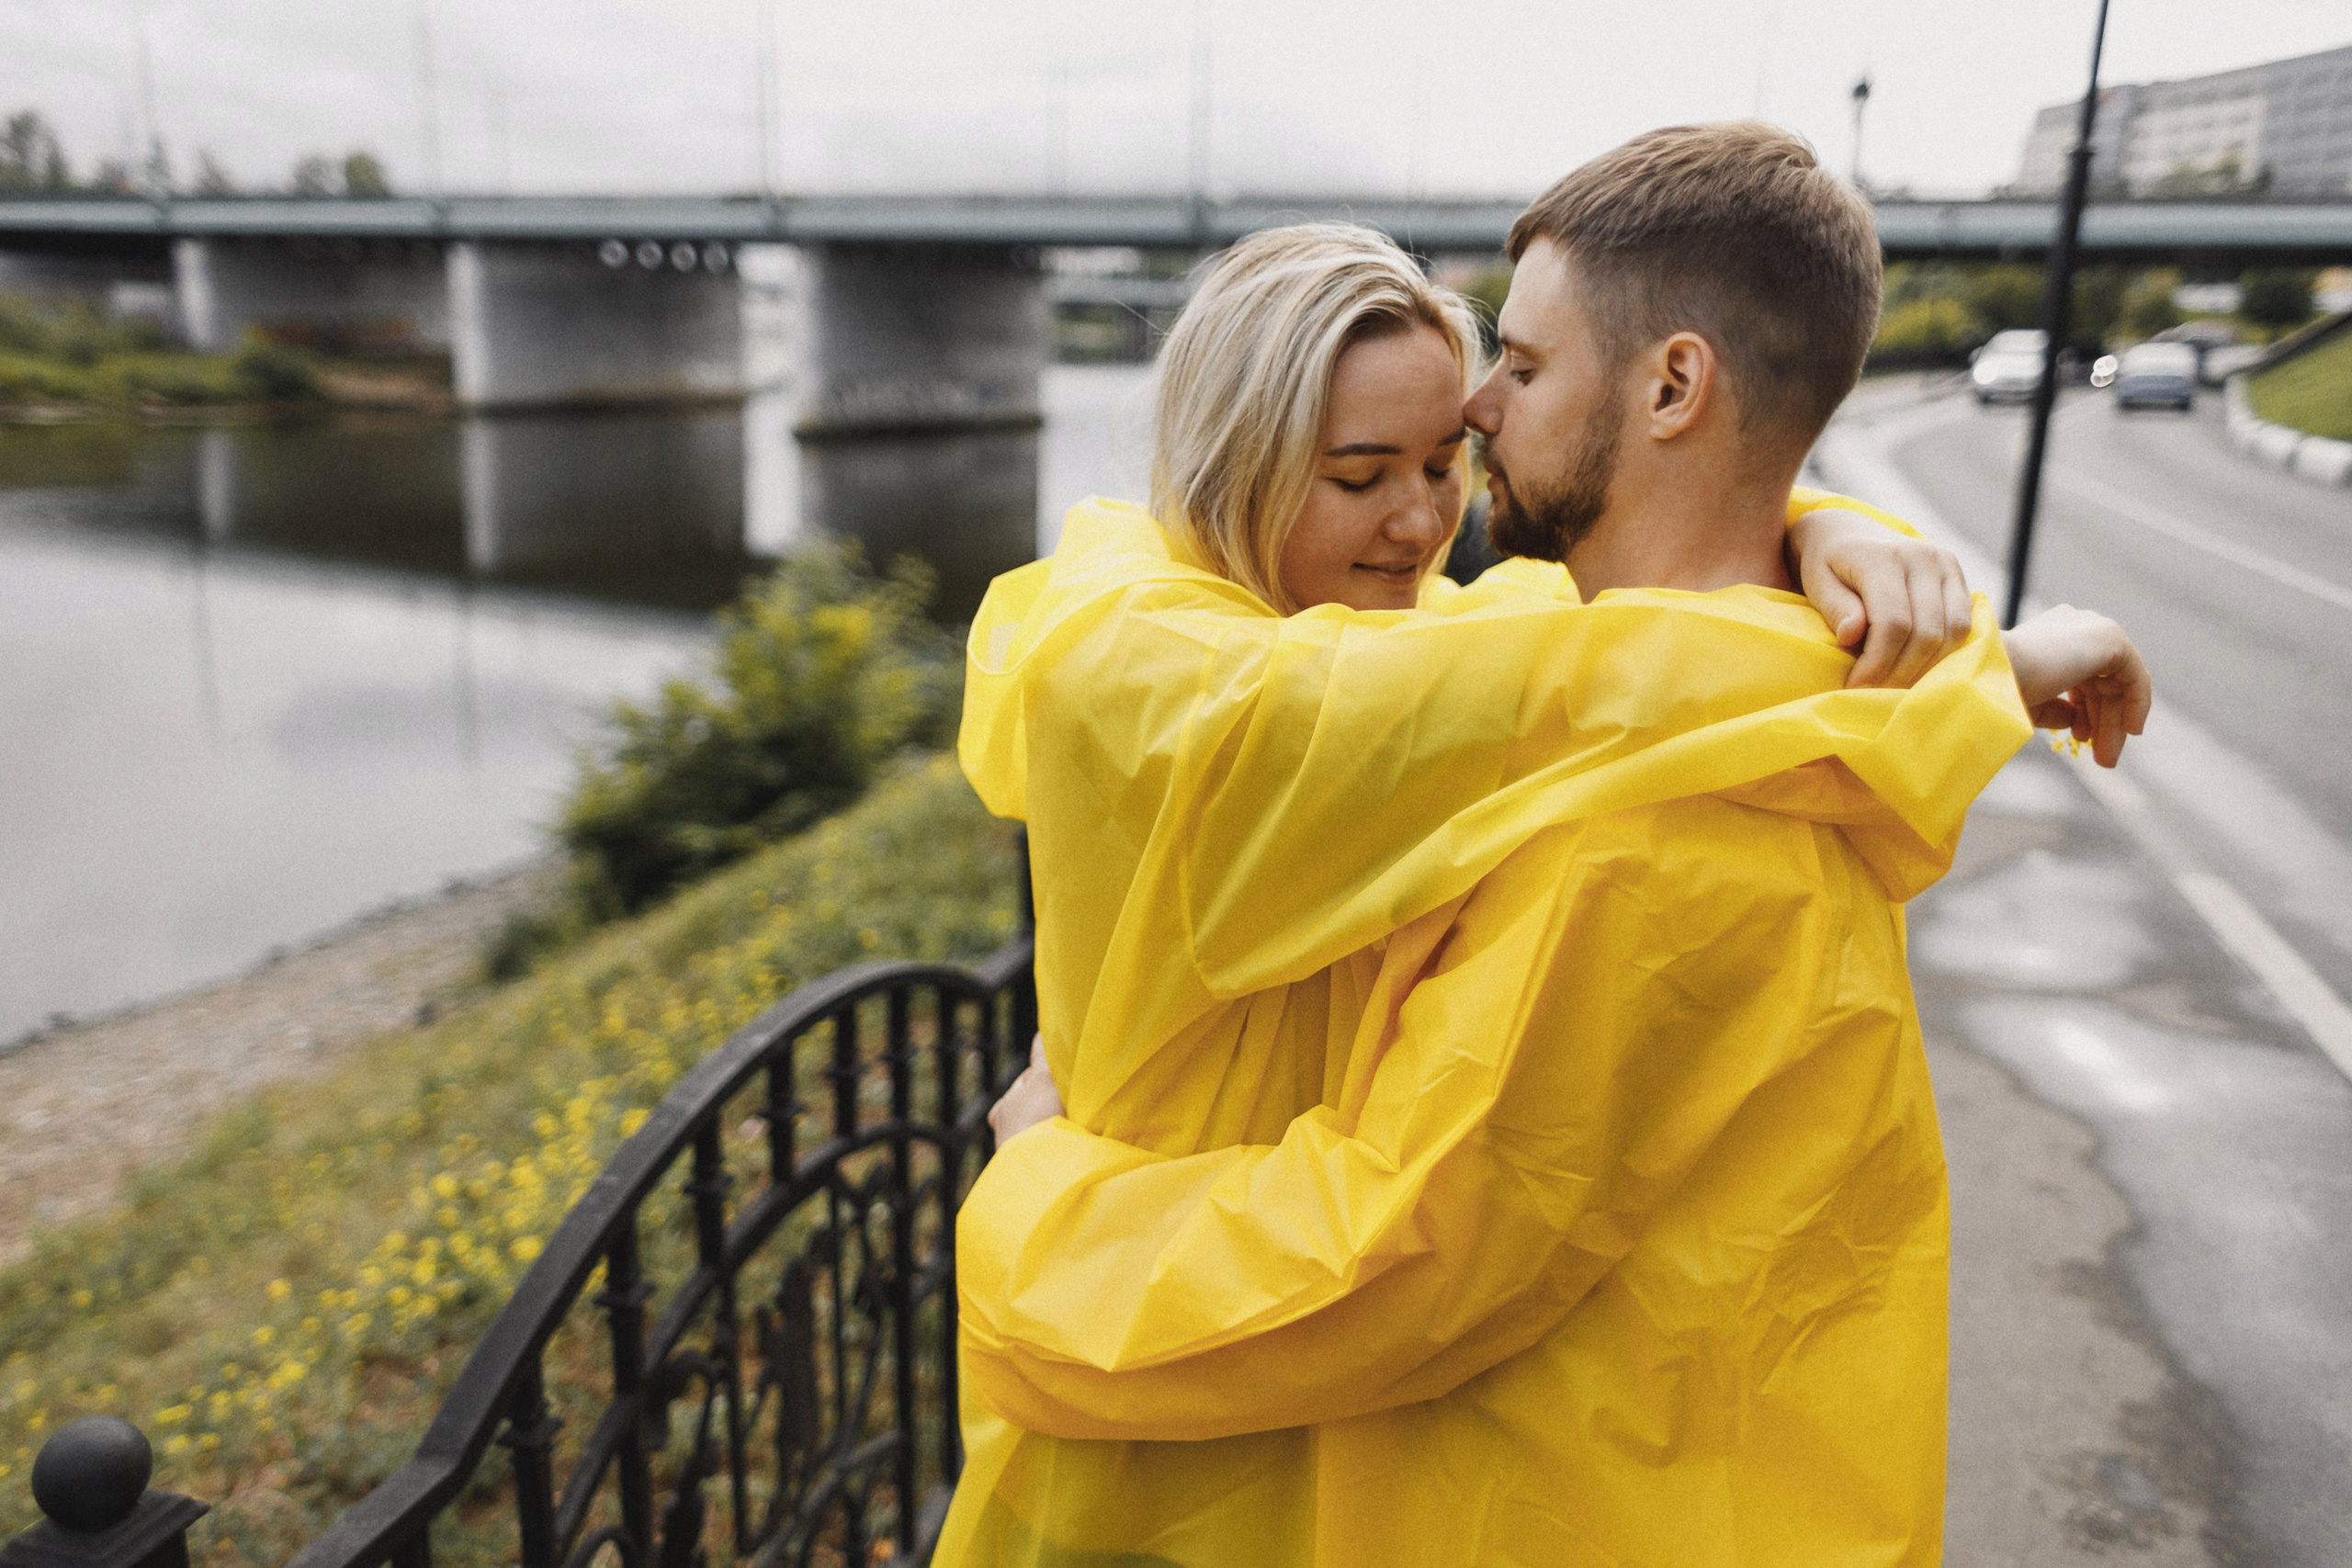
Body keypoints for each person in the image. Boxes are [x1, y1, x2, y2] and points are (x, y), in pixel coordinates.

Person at [939, 126, 2147, 1568]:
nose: (1480, 423)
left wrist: (1035, 1196)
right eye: (1361, 469)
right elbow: (1582, 666)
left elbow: (1391, 1264)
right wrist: (1921, 624)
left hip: (1468, 1482)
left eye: (1508, 373)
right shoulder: (1284, 688)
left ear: (1674, 383)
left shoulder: (1653, 809)